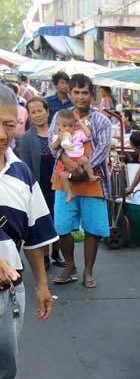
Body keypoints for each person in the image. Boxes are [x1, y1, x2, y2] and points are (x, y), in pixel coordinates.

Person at [0, 85, 56, 379]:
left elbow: (35, 236)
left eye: (8, 124)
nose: (1, 134)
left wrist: (42, 285)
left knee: (7, 364)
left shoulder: (22, 174)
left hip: (9, 293)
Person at [49, 74, 112, 289]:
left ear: (92, 94)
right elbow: (53, 144)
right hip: (65, 180)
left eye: (85, 92)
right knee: (61, 226)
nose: (80, 97)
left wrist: (83, 170)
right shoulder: (60, 116)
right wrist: (69, 164)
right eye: (76, 92)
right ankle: (70, 266)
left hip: (92, 180)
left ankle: (88, 271)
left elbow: (103, 148)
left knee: (93, 229)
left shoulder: (101, 120)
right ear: (70, 93)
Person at [15, 96, 65, 268]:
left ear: (47, 111)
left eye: (40, 110)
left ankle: (56, 253)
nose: (37, 114)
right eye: (33, 112)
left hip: (59, 182)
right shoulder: (26, 139)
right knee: (42, 221)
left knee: (58, 218)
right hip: (39, 184)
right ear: (28, 115)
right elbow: (25, 166)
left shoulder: (58, 133)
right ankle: (44, 257)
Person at [51, 109, 99, 201]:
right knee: (63, 175)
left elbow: (88, 134)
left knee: (85, 160)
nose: (67, 128)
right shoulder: (58, 136)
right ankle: (69, 192)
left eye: (71, 126)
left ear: (74, 125)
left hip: (79, 159)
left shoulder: (78, 134)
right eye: (64, 126)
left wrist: (80, 122)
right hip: (68, 163)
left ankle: (90, 175)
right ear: (58, 126)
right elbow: (53, 147)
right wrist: (59, 140)